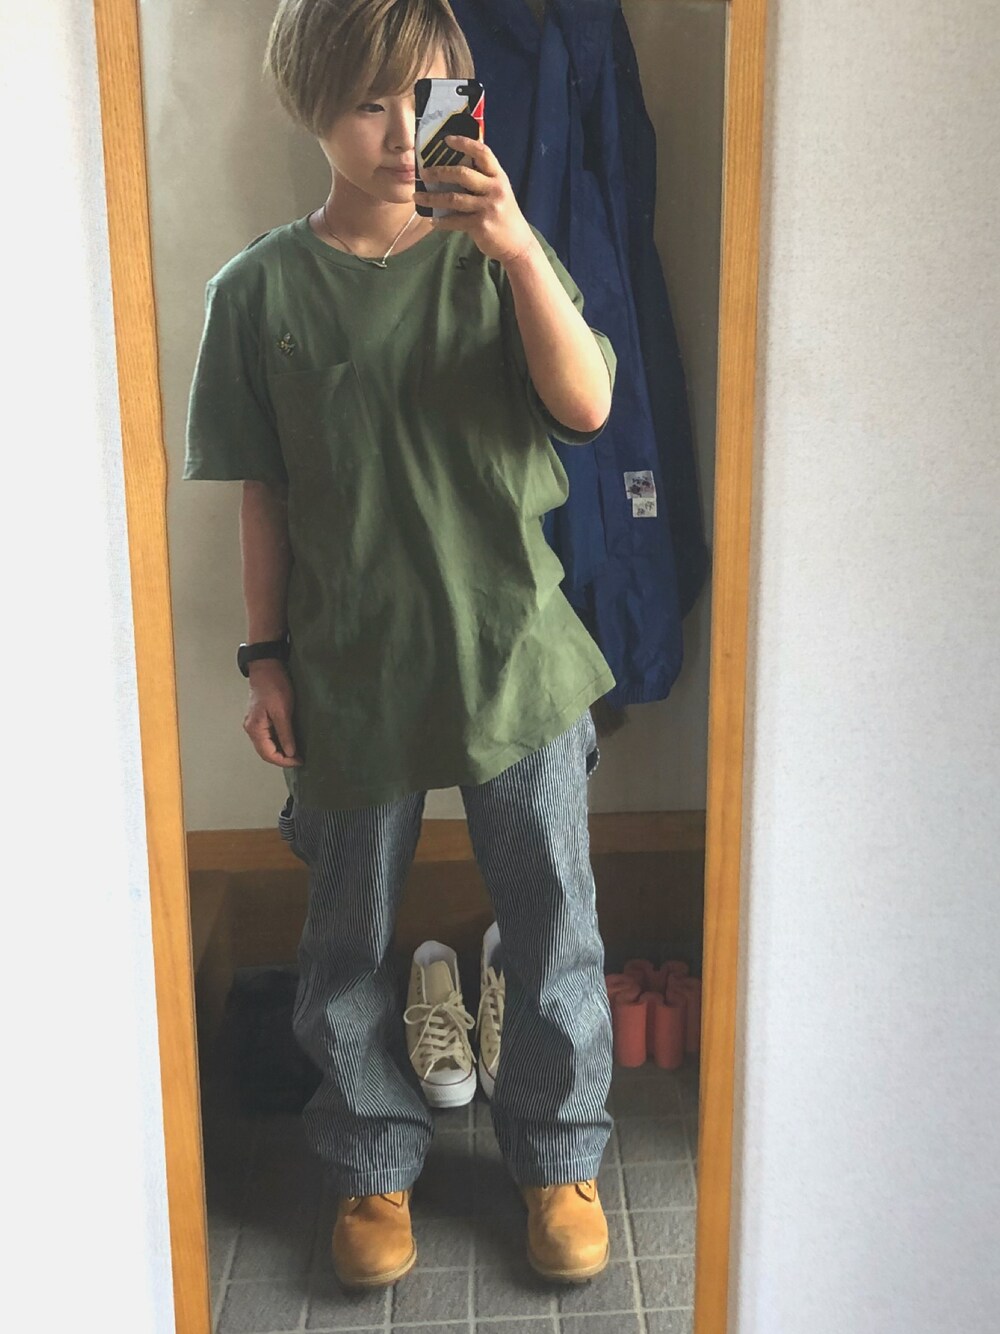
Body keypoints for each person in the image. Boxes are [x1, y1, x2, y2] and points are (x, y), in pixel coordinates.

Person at [184, 0, 618, 1290]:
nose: (394, 133)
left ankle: (559, 1153)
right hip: (349, 664)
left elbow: (589, 402)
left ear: (459, 103)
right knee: (345, 929)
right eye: (367, 102)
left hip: (513, 646)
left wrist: (517, 246)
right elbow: (263, 494)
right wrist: (264, 657)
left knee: (553, 914)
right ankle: (370, 1163)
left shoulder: (494, 255)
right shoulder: (256, 291)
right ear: (310, 104)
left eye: (421, 98)